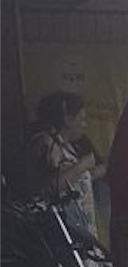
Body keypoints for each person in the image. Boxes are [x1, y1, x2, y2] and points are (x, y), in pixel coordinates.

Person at [27, 91, 104, 236]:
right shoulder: (47, 143)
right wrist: (83, 164)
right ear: (67, 119)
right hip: (62, 233)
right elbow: (52, 186)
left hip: (80, 228)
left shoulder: (69, 146)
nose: (84, 124)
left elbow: (77, 180)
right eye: (81, 119)